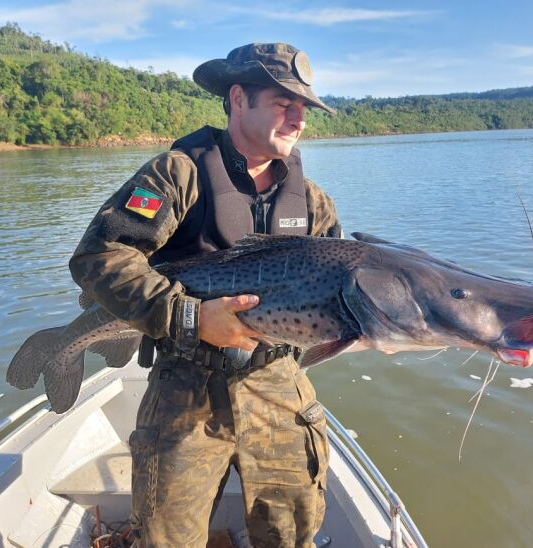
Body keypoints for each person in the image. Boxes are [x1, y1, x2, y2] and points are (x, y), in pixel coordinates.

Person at [69, 43, 342, 547]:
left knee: (293, 535)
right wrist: (188, 318)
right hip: (184, 389)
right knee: (167, 537)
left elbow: (338, 289)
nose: (298, 118)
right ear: (239, 99)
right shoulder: (176, 175)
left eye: (304, 108)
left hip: (281, 386)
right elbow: (99, 257)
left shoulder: (314, 202)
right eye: (284, 103)